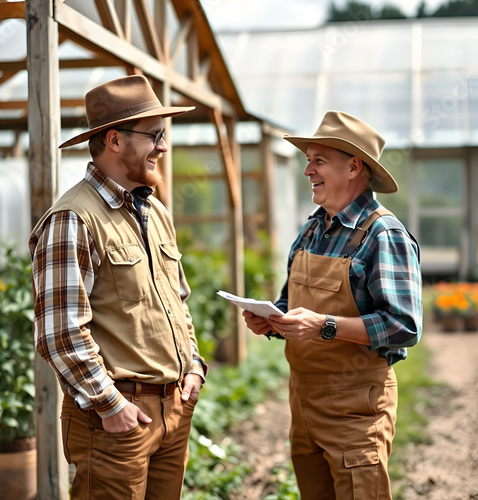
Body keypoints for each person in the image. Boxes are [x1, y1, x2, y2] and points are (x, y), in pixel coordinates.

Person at [29, 75, 207, 500]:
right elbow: (59, 331)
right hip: (114, 421)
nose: (163, 147)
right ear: (114, 140)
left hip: (171, 411)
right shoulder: (72, 218)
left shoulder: (156, 211)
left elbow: (176, 301)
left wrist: (194, 367)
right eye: (154, 136)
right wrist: (112, 407)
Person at [243, 111, 422, 500]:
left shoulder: (383, 234)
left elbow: (404, 326)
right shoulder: (313, 227)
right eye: (308, 160)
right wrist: (272, 318)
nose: (307, 170)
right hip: (303, 403)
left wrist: (326, 325)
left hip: (355, 410)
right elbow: (292, 302)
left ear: (354, 166)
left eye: (318, 160)